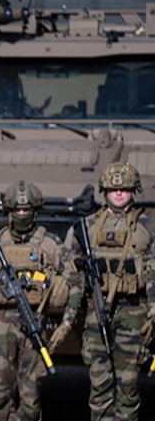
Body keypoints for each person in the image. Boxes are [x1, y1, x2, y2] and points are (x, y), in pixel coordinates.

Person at [0, 181, 81, 421]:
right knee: (1, 392)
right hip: (1, 325)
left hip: (34, 322)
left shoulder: (49, 244)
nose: (21, 214)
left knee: (30, 398)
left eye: (26, 209)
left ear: (35, 210)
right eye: (17, 210)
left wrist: (66, 325)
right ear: (8, 210)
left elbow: (75, 283)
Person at [68, 162, 155, 421]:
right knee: (99, 383)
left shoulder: (147, 226)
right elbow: (71, 269)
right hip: (97, 312)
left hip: (133, 313)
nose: (118, 194)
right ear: (104, 191)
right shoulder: (86, 227)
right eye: (113, 189)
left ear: (134, 190)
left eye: (125, 189)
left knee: (128, 385)